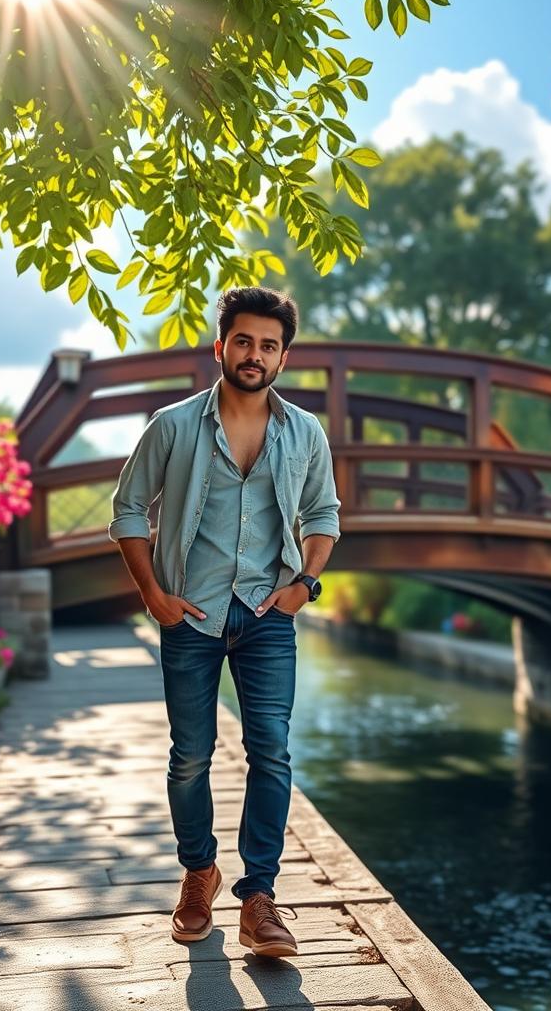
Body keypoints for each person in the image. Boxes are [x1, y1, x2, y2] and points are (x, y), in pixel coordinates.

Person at [108, 286, 341, 958]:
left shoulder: (305, 432)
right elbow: (127, 510)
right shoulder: (174, 426)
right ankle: (198, 870)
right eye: (244, 341)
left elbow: (323, 515)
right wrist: (153, 594)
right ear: (220, 347)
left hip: (269, 615)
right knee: (190, 757)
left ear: (283, 358)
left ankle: (260, 898)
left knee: (271, 749)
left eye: (269, 345)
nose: (254, 354)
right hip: (191, 615)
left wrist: (305, 585)